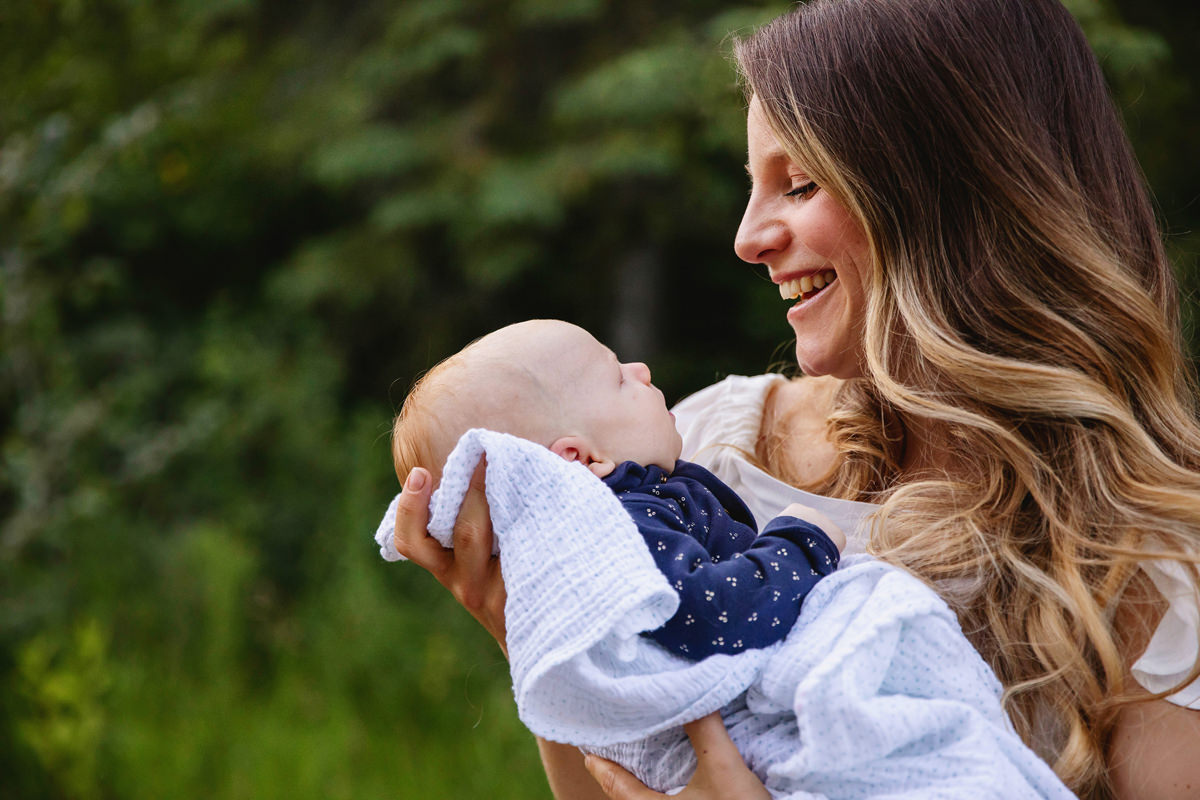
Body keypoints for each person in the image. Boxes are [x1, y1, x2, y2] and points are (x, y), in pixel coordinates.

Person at [391, 0, 1200, 798]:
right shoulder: (700, 447)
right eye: (753, 187)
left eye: (801, 184)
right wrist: (529, 626)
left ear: (958, 195)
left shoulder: (1155, 564)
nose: (747, 237)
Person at [387, 318, 845, 661]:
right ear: (580, 459)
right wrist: (800, 543)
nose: (641, 370)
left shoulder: (645, 498)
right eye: (618, 378)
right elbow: (712, 614)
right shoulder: (627, 526)